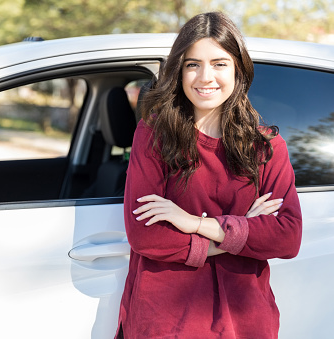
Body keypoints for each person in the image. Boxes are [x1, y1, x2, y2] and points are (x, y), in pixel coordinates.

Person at [116, 12, 302, 338]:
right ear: (179, 70)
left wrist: (194, 224)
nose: (205, 77)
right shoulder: (154, 135)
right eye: (193, 64)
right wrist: (239, 233)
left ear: (237, 70)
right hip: (168, 323)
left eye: (219, 63)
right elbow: (146, 235)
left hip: (245, 323)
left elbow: (287, 237)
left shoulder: (266, 146)